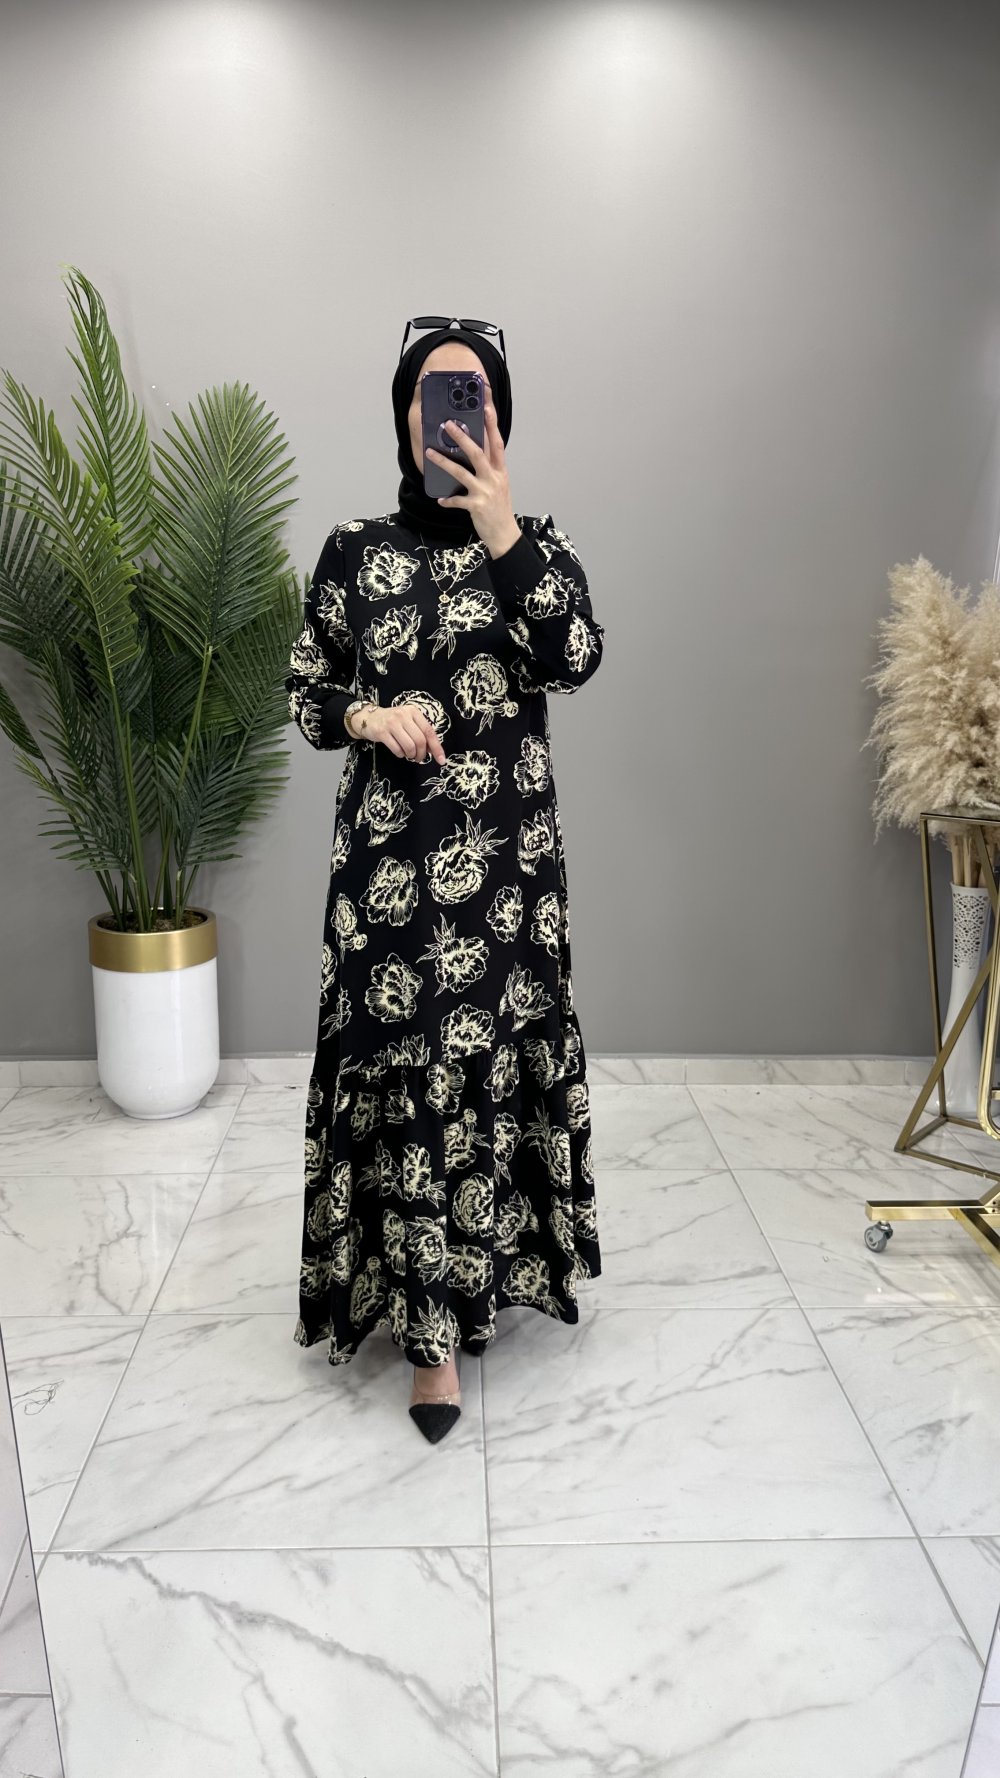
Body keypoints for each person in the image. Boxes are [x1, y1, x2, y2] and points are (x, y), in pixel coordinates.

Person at [285, 318, 605, 1443]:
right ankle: (429, 1345)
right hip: (388, 871)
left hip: (508, 876)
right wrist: (368, 716)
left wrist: (501, 528)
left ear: (499, 416)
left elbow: (574, 656)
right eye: (434, 392)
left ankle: (484, 1283)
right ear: (404, 415)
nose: (453, 410)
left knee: (487, 1069)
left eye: (473, 392)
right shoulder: (351, 549)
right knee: (407, 1074)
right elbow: (307, 690)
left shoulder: (537, 547)